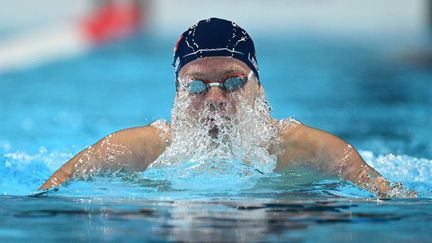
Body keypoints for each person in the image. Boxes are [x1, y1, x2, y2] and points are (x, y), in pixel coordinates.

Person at [39, 18, 413, 198]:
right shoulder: (138, 150)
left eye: (233, 81)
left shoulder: (310, 150)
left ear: (259, 89)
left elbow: (396, 202)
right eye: (197, 86)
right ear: (178, 95)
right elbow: (45, 197)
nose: (215, 99)